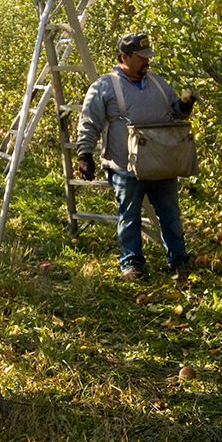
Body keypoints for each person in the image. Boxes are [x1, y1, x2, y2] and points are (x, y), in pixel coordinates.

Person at [75, 32, 196, 280]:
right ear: (125, 56)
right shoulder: (104, 86)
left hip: (161, 163)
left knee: (170, 215)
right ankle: (131, 264)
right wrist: (85, 153)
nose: (146, 62)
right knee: (129, 217)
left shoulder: (158, 83)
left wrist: (183, 107)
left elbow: (175, 113)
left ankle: (179, 261)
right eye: (141, 58)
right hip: (124, 166)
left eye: (147, 57)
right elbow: (89, 122)